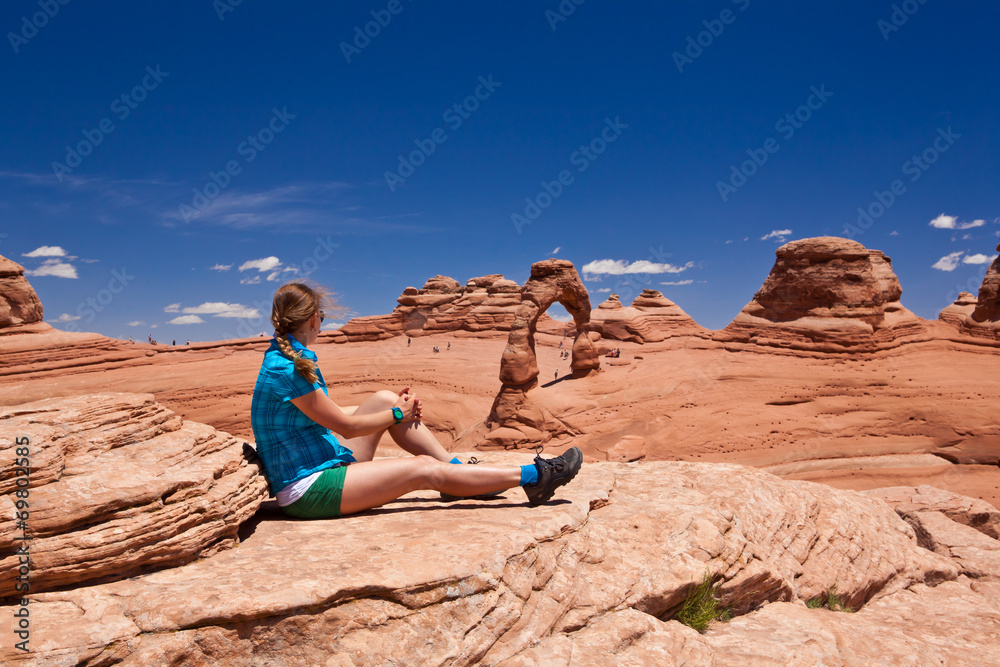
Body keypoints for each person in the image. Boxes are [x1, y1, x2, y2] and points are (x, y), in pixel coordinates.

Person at [250, 282, 582, 519]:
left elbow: (332, 415)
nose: (323, 322)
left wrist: (394, 409)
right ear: (312, 319)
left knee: (382, 398)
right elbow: (347, 428)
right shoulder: (288, 368)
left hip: (324, 465)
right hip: (308, 489)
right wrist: (398, 414)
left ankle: (456, 477)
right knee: (423, 470)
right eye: (321, 315)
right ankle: (535, 477)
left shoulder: (285, 358)